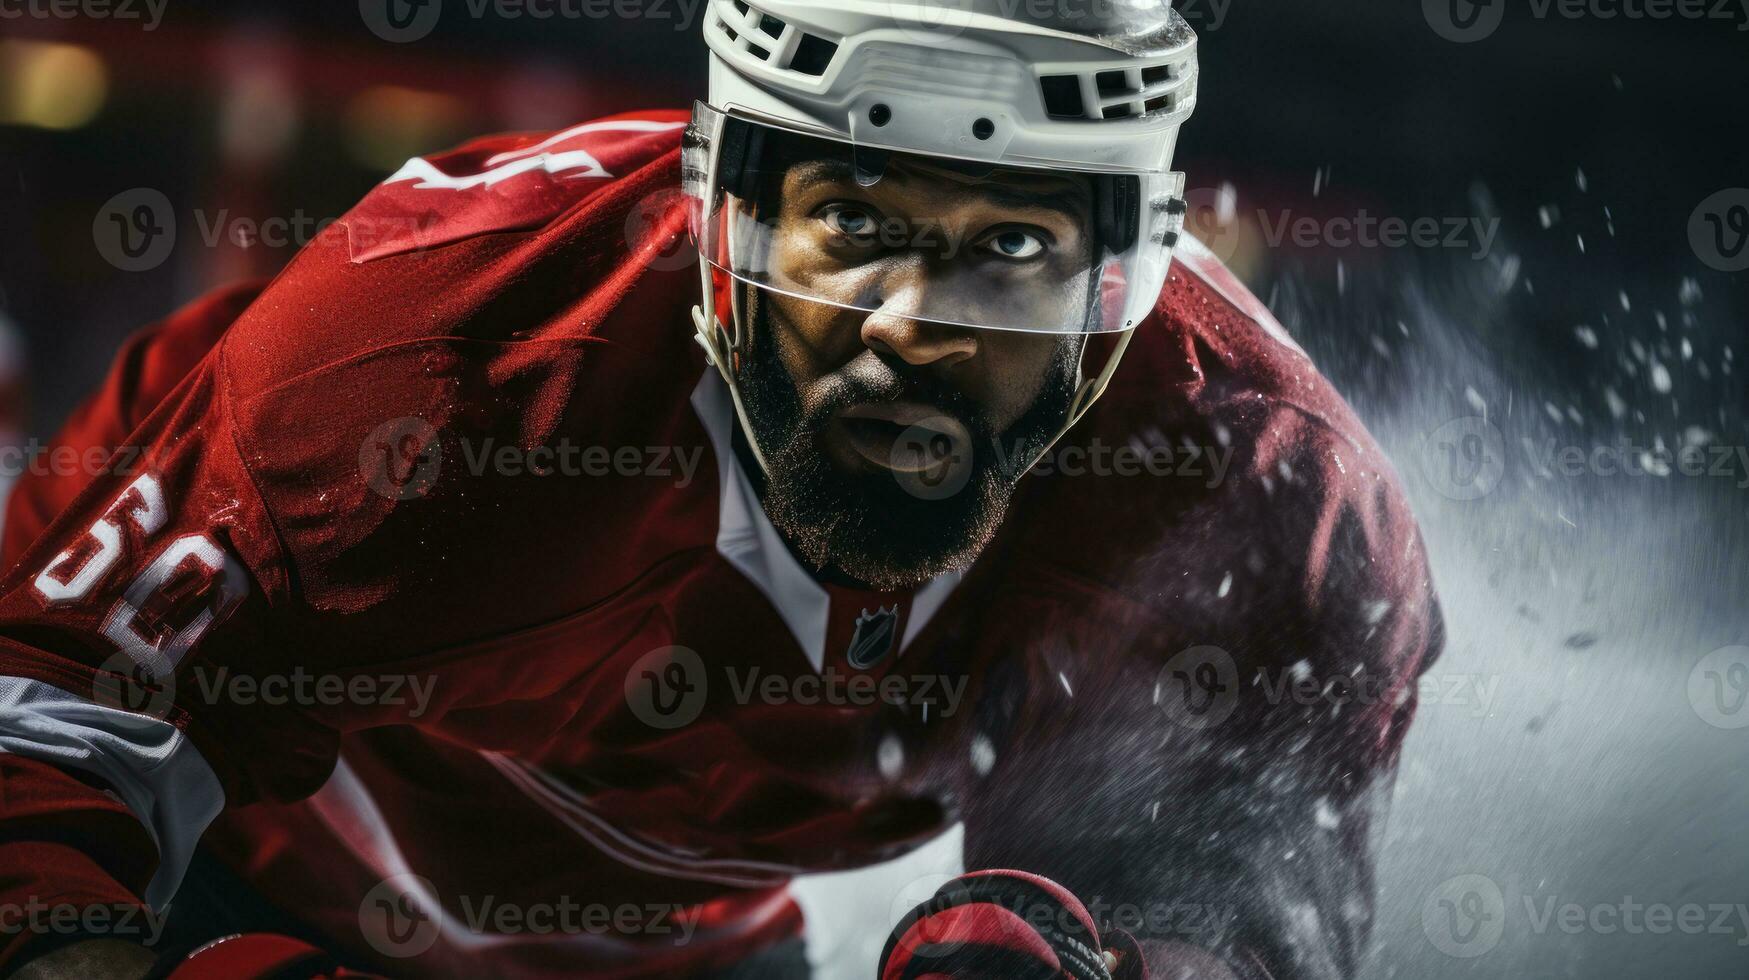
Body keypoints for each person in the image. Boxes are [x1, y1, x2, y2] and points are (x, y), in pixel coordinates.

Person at [0, 1, 1442, 977]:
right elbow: (43, 729)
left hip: (691, 935)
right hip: (251, 880)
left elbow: (1198, 930)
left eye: (1008, 248)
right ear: (719, 220)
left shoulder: (1266, 510)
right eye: (852, 221)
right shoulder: (433, 348)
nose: (909, 327)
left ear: (1117, 292)